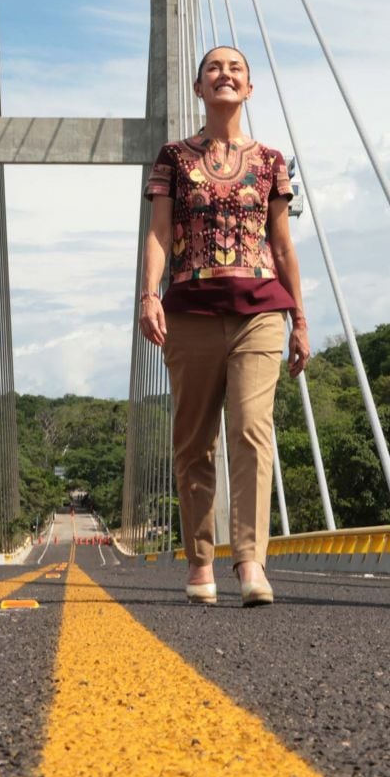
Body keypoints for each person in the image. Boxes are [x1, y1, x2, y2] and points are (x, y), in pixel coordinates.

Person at [140, 46, 310, 608]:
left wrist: (300, 321)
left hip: (259, 312)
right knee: (193, 442)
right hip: (189, 311)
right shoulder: (172, 157)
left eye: (235, 68)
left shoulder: (270, 161)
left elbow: (282, 244)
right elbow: (161, 233)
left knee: (252, 432)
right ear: (197, 87)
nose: (225, 75)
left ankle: (250, 562)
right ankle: (200, 562)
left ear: (250, 88)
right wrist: (148, 295)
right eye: (214, 68)